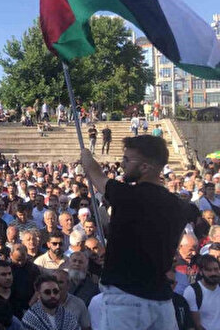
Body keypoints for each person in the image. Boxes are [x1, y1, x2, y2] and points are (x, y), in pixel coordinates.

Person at [80, 136, 194, 330]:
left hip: (125, 301)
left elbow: (95, 174)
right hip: (162, 301)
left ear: (145, 167)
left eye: (126, 160)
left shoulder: (126, 195)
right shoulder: (180, 206)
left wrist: (86, 157)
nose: (122, 164)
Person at [182, 255, 220, 330]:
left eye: (216, 269)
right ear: (201, 272)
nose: (213, 273)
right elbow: (196, 324)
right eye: (209, 270)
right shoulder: (192, 291)